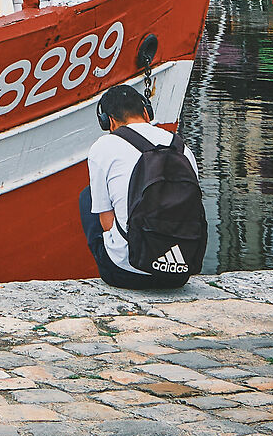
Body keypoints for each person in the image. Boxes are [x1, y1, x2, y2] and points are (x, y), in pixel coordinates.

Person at [80, 73, 197, 291]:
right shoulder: (181, 148)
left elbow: (106, 223)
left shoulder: (103, 146)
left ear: (108, 121)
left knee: (88, 196)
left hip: (126, 274)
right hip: (179, 274)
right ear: (146, 112)